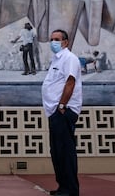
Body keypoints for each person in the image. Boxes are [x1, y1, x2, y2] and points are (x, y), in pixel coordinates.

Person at [41, 29, 82, 196]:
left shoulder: (69, 58)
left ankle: (70, 189)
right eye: (51, 39)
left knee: (65, 151)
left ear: (66, 42)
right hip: (54, 111)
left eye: (57, 39)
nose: (53, 42)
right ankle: (63, 187)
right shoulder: (56, 60)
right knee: (57, 151)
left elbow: (70, 82)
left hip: (63, 110)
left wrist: (62, 105)